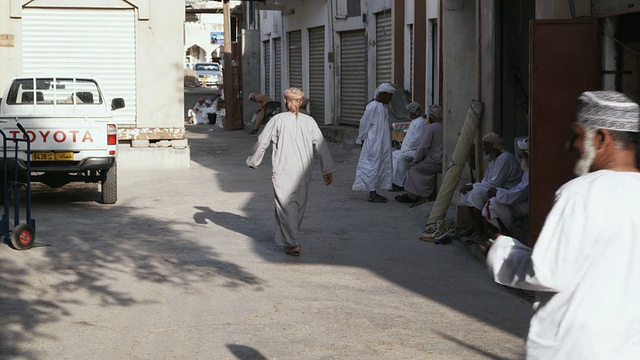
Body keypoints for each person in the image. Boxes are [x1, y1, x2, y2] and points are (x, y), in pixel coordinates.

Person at [486, 91, 640, 359]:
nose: (570, 146)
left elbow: (547, 271)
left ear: (601, 138)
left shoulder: (580, 192)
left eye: (577, 136)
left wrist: (502, 252)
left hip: (574, 345)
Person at [246, 88, 335, 256]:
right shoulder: (309, 122)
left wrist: (253, 160)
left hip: (283, 169)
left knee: (284, 206)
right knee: (297, 206)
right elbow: (321, 145)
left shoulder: (277, 120)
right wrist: (327, 169)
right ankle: (289, 240)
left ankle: (292, 243)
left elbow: (262, 141)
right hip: (304, 171)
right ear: (300, 102)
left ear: (286, 101)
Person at [459, 132, 522, 240]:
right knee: (467, 192)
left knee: (476, 192)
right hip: (494, 188)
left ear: (495, 146)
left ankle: (479, 231)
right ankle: (474, 227)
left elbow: (496, 183)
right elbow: (486, 180)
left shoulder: (504, 158)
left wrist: (474, 187)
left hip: (506, 191)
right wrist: (473, 186)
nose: (484, 149)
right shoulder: (493, 159)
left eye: (486, 145)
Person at [352, 83, 396, 203]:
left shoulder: (383, 107)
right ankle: (372, 194)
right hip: (373, 143)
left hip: (381, 143)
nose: (390, 99)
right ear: (384, 95)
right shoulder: (372, 106)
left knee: (379, 166)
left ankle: (374, 192)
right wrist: (361, 139)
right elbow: (364, 124)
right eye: (389, 96)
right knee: (372, 166)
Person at [395, 105, 444, 204]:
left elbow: (423, 146)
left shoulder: (431, 128)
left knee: (413, 169)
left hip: (435, 159)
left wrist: (416, 160)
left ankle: (417, 195)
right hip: (441, 159)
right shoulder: (443, 127)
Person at [483, 137, 529, 236]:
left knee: (492, 203)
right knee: (490, 201)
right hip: (512, 196)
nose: (520, 156)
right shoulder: (527, 169)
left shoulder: (505, 159)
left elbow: (521, 192)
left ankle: (503, 233)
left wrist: (498, 192)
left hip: (525, 204)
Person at [391, 101, 428, 191]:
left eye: (410, 112)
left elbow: (417, 140)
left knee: (401, 158)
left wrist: (406, 149)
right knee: (394, 154)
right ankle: (393, 180)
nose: (409, 114)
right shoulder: (414, 121)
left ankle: (400, 184)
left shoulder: (420, 123)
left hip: (414, 150)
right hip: (407, 149)